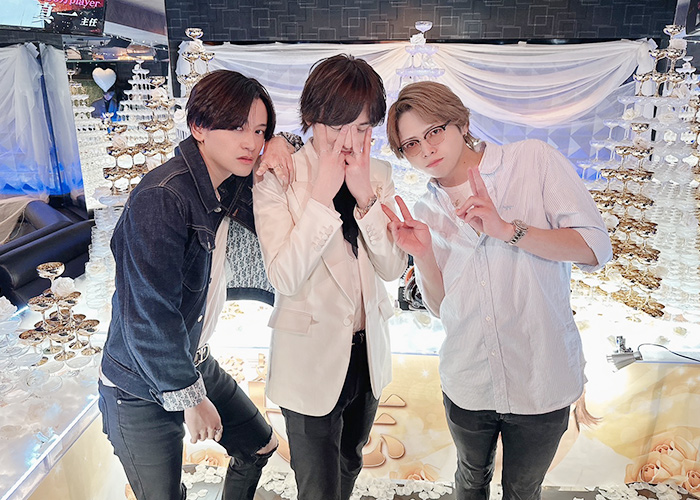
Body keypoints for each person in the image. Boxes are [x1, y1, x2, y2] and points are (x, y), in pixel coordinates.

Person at [382, 81, 612, 500]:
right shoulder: (426, 209)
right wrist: (424, 255)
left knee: (523, 489)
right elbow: (441, 308)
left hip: (541, 376)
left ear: (460, 123)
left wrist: (508, 230)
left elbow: (595, 248)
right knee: (470, 480)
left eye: (434, 131)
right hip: (468, 379)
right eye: (411, 144)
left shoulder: (531, 161)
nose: (427, 149)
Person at [98, 70, 295, 500]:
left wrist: (282, 141)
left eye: (259, 130)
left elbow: (284, 192)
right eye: (237, 127)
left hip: (194, 359)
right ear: (199, 127)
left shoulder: (228, 183)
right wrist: (189, 398)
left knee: (258, 446)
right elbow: (148, 317)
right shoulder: (164, 196)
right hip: (137, 385)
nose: (251, 142)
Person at [252, 54, 407, 500]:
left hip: (367, 354)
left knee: (350, 463)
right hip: (309, 359)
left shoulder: (378, 175)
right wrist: (321, 195)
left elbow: (392, 268)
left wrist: (364, 197)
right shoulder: (279, 174)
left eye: (362, 128)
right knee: (317, 485)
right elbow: (284, 276)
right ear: (312, 118)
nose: (349, 141)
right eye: (338, 126)